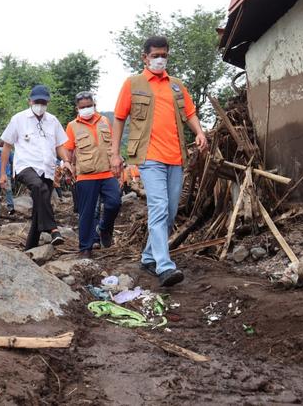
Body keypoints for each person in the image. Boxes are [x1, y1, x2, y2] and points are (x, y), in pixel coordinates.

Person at [110, 36, 208, 287]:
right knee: (159, 207)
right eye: (155, 55)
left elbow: (189, 113)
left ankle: (148, 257)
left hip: (175, 157)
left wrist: (199, 132)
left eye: (163, 55)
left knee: (171, 211)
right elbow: (119, 118)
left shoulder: (176, 86)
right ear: (145, 57)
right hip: (148, 156)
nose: (160, 59)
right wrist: (114, 153)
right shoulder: (133, 84)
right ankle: (165, 266)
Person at [0, 85, 72, 250]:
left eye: (43, 102)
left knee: (39, 209)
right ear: (30, 101)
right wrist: (3, 173)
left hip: (47, 168)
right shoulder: (18, 119)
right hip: (25, 166)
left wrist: (66, 160)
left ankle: (30, 249)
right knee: (39, 188)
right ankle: (53, 229)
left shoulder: (52, 121)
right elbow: (7, 147)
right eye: (37, 101)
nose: (40, 105)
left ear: (47, 103)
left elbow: (59, 145)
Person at [64, 91, 121, 258]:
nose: (86, 109)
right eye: (83, 107)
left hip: (107, 172)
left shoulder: (104, 121)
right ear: (77, 108)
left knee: (114, 202)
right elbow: (68, 150)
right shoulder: (72, 126)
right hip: (85, 175)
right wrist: (68, 167)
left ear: (94, 105)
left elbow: (113, 145)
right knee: (86, 213)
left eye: (89, 106)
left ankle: (104, 228)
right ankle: (85, 248)